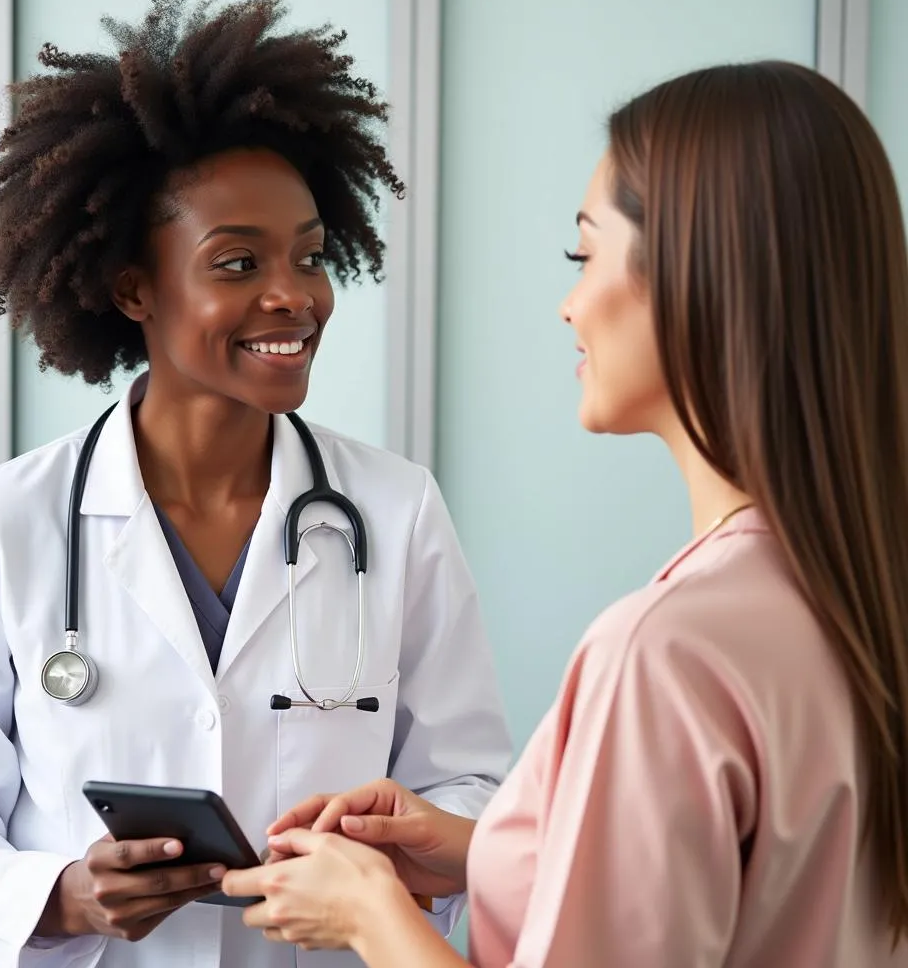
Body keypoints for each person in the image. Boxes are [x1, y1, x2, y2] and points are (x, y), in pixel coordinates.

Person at [218, 60, 908, 967]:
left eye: (585, 255)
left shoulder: (665, 655)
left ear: (702, 274)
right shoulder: (859, 601)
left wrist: (368, 916)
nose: (570, 303)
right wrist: (485, 852)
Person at [0, 0, 512, 968]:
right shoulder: (1, 524)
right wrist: (63, 893)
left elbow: (472, 790)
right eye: (235, 262)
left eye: (309, 257)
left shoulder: (395, 511)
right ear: (132, 286)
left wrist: (394, 846)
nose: (293, 297)